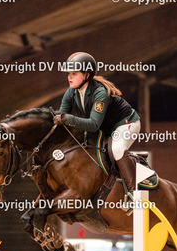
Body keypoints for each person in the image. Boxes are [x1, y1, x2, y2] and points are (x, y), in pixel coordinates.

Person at [54, 52, 142, 199]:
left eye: (74, 73)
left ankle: (134, 193)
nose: (69, 77)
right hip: (105, 127)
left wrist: (68, 118)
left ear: (86, 75)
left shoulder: (100, 92)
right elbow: (60, 116)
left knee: (117, 148)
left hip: (126, 124)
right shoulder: (71, 92)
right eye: (69, 73)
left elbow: (93, 125)